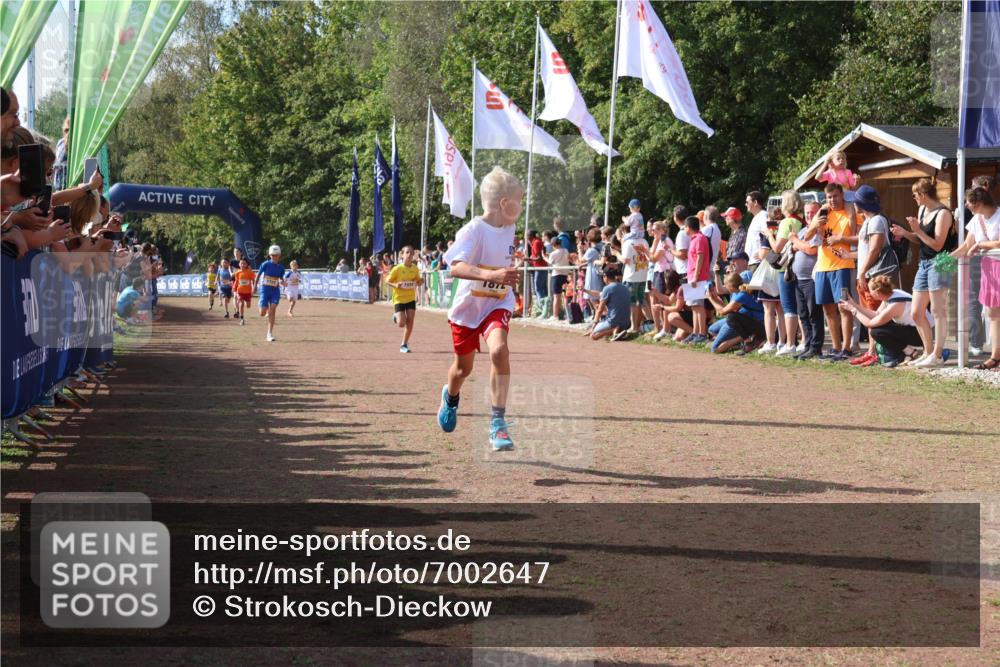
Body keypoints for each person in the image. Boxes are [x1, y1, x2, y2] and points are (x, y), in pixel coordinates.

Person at [436, 166, 522, 452]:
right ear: (504, 203)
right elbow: (455, 267)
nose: (522, 207)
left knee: (500, 351)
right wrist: (492, 275)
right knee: (463, 370)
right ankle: (450, 397)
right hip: (468, 309)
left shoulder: (509, 228)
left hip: (497, 303)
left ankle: (498, 422)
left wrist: (505, 275)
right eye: (519, 201)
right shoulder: (473, 230)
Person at [890, 178, 957, 368]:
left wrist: (917, 230)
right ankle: (928, 352)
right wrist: (906, 233)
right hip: (924, 263)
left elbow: (937, 244)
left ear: (923, 194)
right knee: (916, 312)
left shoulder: (943, 213)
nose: (914, 198)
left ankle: (937, 354)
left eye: (915, 195)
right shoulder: (922, 210)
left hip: (940, 262)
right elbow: (921, 240)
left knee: (937, 310)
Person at [846, 185, 899, 367]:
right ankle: (871, 351)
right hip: (866, 274)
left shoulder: (876, 220)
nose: (854, 204)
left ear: (862, 203)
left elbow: (875, 249)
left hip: (873, 275)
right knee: (867, 312)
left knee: (874, 313)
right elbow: (866, 250)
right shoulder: (869, 221)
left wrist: (862, 272)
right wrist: (849, 256)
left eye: (856, 201)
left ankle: (876, 352)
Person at [804, 183, 858, 361]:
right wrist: (815, 225)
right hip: (823, 267)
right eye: (829, 197)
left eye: (835, 196)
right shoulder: (823, 212)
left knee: (843, 306)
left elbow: (858, 237)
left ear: (842, 195)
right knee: (828, 308)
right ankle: (836, 347)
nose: (832, 200)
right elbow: (807, 237)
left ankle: (847, 348)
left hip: (842, 266)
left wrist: (840, 238)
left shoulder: (850, 210)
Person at [951, 186, 1000, 370]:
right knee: (992, 314)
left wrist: (980, 245)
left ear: (979, 203)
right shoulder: (976, 220)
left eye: (968, 202)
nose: (966, 205)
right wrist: (947, 259)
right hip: (989, 268)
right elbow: (966, 245)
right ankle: (996, 356)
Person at [838, 275, 929, 368]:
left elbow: (869, 323)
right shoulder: (893, 294)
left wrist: (853, 310)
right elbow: (876, 314)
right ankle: (909, 351)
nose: (869, 293)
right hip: (917, 329)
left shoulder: (895, 305)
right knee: (879, 327)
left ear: (877, 292)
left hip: (921, 334)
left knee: (877, 332)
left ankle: (908, 352)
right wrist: (853, 304)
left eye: (870, 290)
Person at [764, 190, 804, 356]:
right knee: (799, 306)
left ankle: (790, 343)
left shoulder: (786, 222)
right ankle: (802, 341)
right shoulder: (801, 221)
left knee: (788, 306)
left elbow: (777, 248)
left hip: (785, 268)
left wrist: (769, 235)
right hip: (799, 266)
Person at [789, 201, 824, 360]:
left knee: (814, 314)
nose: (809, 215)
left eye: (813, 212)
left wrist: (796, 241)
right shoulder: (804, 230)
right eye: (807, 212)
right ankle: (808, 345)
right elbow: (795, 248)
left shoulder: (818, 230)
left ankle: (816, 347)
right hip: (798, 279)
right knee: (803, 314)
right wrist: (798, 243)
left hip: (811, 279)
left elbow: (811, 250)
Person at [706, 271, 765, 353]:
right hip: (742, 320)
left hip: (755, 323)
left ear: (731, 286)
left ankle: (744, 337)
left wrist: (711, 299)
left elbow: (723, 312)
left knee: (714, 349)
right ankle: (737, 341)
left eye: (726, 285)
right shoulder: (737, 292)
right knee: (712, 330)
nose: (725, 287)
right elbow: (727, 309)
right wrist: (715, 298)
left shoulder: (742, 295)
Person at [387, 245, 423, 353]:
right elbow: (387, 281)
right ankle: (396, 317)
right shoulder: (397, 269)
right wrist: (395, 285)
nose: (409, 254)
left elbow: (418, 281)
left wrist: (420, 281)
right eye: (407, 252)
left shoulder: (415, 268)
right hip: (399, 299)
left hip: (411, 298)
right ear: (402, 255)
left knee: (410, 321)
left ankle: (404, 344)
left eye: (411, 253)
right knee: (401, 323)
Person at [584, 264, 631, 340]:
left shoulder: (607, 288)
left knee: (593, 335)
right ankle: (617, 331)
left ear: (605, 277)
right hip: (627, 322)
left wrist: (594, 325)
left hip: (613, 322)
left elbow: (600, 309)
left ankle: (614, 330)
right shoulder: (624, 287)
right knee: (601, 326)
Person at [683, 215, 710, 344]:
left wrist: (695, 276)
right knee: (694, 306)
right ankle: (695, 332)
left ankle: (702, 334)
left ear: (688, 227)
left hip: (697, 277)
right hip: (692, 276)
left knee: (699, 306)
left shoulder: (699, 238)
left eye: (685, 227)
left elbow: (700, 257)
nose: (684, 229)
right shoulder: (694, 239)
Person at [620, 222, 650, 335]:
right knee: (642, 301)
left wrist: (616, 253)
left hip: (631, 276)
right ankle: (651, 324)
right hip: (642, 275)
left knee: (632, 302)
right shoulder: (644, 241)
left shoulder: (627, 242)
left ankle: (634, 327)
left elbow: (625, 260)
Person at [254, 245, 286, 342]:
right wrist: (254, 287)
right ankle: (262, 304)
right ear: (269, 255)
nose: (274, 257)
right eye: (272, 255)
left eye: (276, 255)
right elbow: (258, 275)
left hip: (275, 291)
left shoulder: (281, 268)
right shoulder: (265, 264)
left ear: (279, 255)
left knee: (273, 310)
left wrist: (283, 282)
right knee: (262, 313)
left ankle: (269, 334)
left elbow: (281, 278)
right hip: (265, 290)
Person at [577, 227, 605, 320]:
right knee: (599, 297)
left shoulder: (591, 250)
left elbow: (581, 259)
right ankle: (600, 317)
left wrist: (579, 250)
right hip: (600, 274)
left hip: (593, 275)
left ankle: (600, 318)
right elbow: (592, 260)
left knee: (593, 298)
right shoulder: (602, 247)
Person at [546, 237, 571, 321]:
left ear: (553, 245)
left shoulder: (553, 253)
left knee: (556, 297)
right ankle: (567, 314)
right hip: (565, 275)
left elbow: (550, 263)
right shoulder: (566, 251)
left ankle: (555, 315)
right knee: (565, 296)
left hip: (556, 275)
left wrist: (544, 257)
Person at [743, 191, 768, 268]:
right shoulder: (757, 217)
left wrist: (763, 251)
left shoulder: (763, 215)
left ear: (755, 202)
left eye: (747, 202)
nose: (745, 204)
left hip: (757, 263)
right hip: (752, 262)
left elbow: (768, 233)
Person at [233, 258, 255, 324]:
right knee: (241, 304)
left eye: (244, 263)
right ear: (239, 264)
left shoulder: (250, 272)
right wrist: (234, 288)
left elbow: (253, 280)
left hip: (248, 292)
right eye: (241, 263)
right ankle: (242, 318)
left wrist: (254, 288)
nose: (242, 265)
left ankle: (245, 301)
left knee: (248, 306)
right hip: (240, 291)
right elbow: (236, 281)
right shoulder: (237, 273)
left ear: (246, 264)